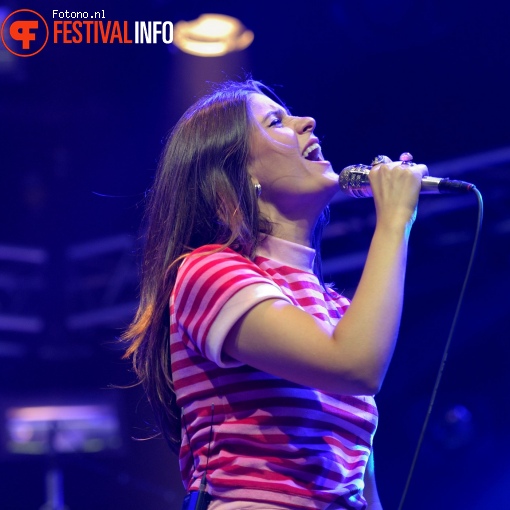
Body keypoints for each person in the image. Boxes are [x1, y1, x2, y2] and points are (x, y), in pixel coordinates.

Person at [122, 79, 427, 509]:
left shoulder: (337, 310)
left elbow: (357, 476)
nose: (308, 122)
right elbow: (356, 365)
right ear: (240, 174)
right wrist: (395, 221)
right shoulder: (207, 273)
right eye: (276, 122)